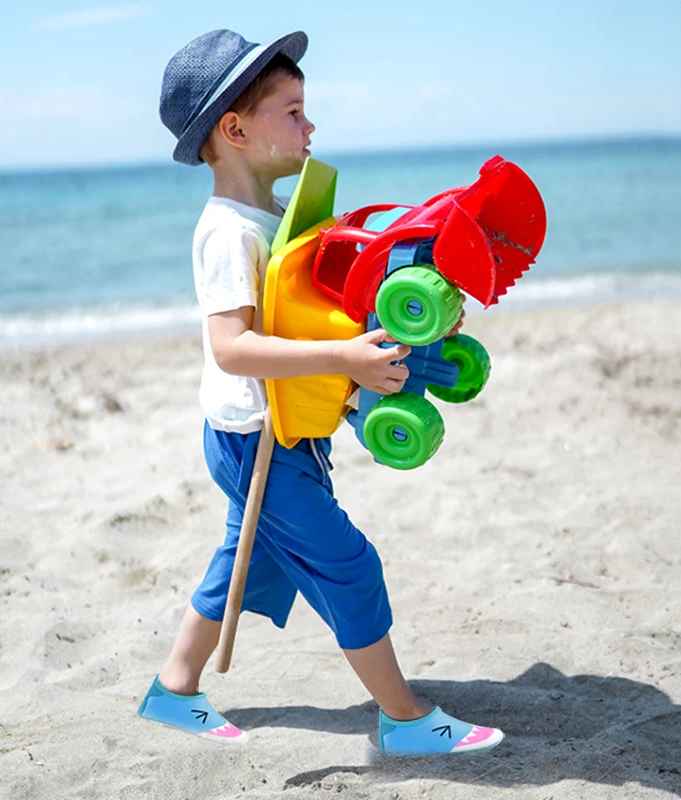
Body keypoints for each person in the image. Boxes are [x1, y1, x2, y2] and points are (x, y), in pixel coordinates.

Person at [137, 28, 503, 757]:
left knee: (248, 558)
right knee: (349, 567)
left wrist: (412, 322)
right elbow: (232, 347)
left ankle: (173, 688)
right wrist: (342, 357)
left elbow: (316, 313)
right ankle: (404, 720)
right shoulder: (228, 233)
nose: (311, 127)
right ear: (235, 131)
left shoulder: (279, 217)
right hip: (252, 437)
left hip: (281, 432)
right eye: (294, 112)